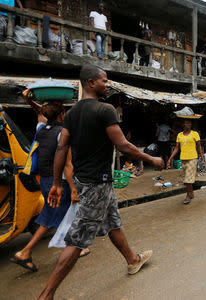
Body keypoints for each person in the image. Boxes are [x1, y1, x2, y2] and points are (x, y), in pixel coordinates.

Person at [37, 65, 164, 300]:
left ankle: (132, 260)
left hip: (87, 181)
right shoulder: (105, 110)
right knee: (77, 240)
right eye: (104, 81)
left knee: (113, 222)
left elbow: (62, 147)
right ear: (91, 83)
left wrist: (56, 182)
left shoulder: (72, 113)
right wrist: (151, 158)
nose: (108, 85)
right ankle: (46, 295)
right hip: (97, 184)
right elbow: (123, 144)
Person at [11, 92, 89, 272]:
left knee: (61, 212)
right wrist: (72, 188)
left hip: (45, 180)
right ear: (62, 115)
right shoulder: (62, 133)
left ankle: (76, 245)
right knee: (51, 215)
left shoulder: (41, 129)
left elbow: (41, 113)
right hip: (58, 182)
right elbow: (68, 165)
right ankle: (25, 251)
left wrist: (29, 100)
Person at [167, 119, 205, 204]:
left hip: (192, 158)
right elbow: (177, 148)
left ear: (190, 125)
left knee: (187, 179)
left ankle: (188, 196)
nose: (186, 125)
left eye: (188, 123)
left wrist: (202, 159)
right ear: (182, 125)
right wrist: (170, 158)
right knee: (188, 178)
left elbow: (199, 147)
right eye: (184, 123)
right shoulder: (179, 135)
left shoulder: (195, 134)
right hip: (183, 159)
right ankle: (191, 193)